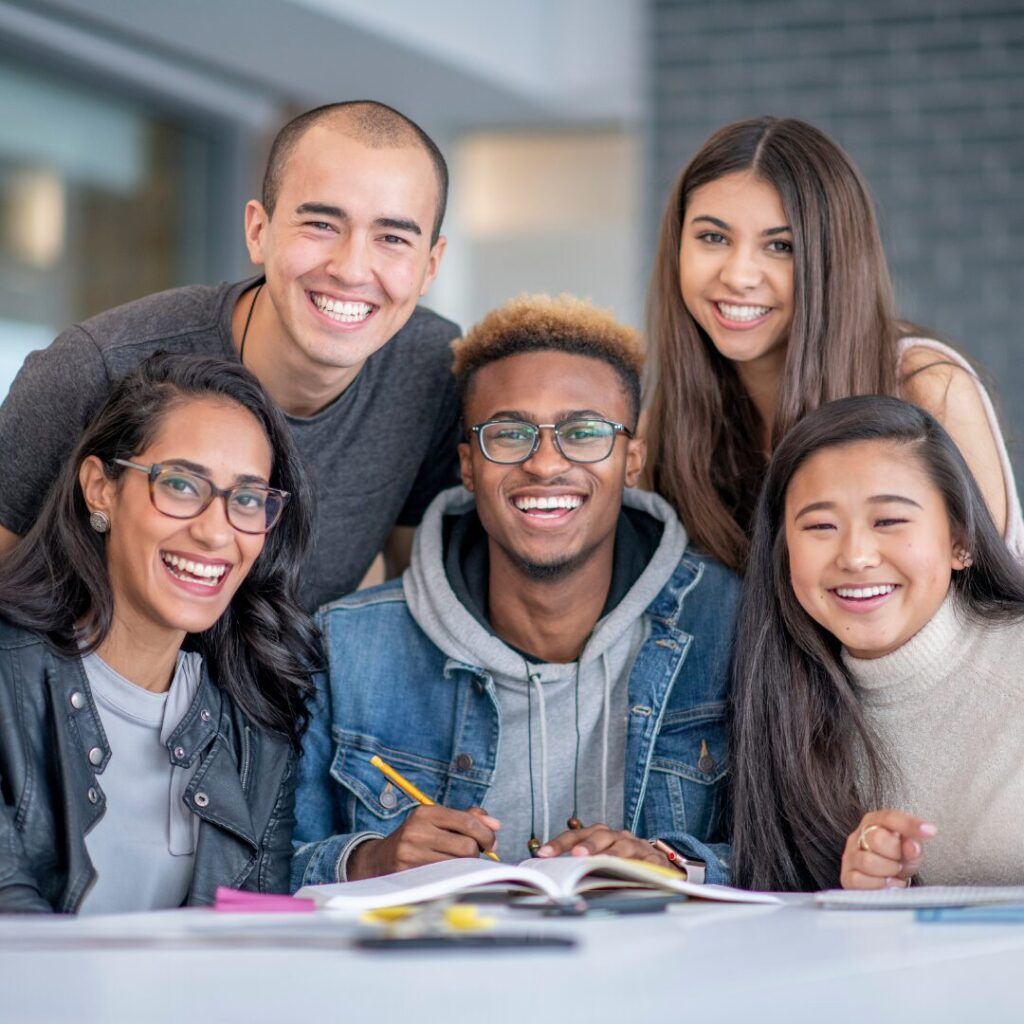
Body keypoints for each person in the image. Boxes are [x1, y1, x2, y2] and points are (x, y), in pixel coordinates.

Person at [291, 295, 739, 889]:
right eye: (509, 434)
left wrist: (675, 865)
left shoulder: (733, 622)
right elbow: (261, 867)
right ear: (468, 466)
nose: (545, 463)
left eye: (584, 432)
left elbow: (799, 855)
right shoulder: (346, 645)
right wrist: (368, 861)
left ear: (633, 460)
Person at [0, 100, 458, 609]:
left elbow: (410, 593)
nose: (351, 269)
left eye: (392, 238)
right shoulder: (97, 367)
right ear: (258, 231)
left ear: (430, 266)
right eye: (322, 225)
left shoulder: (433, 368)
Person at [0, 353, 319, 913]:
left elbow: (254, 947)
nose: (216, 532)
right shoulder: (7, 679)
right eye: (180, 485)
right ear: (101, 489)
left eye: (246, 499)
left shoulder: (257, 721)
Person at [644, 116, 1022, 575]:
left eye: (781, 246)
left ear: (832, 258)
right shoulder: (666, 424)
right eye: (713, 238)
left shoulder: (925, 387)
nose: (738, 275)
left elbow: (992, 600)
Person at [730, 395, 1024, 892]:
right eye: (821, 527)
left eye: (888, 521)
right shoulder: (785, 702)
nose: (856, 556)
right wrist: (875, 894)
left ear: (960, 540)